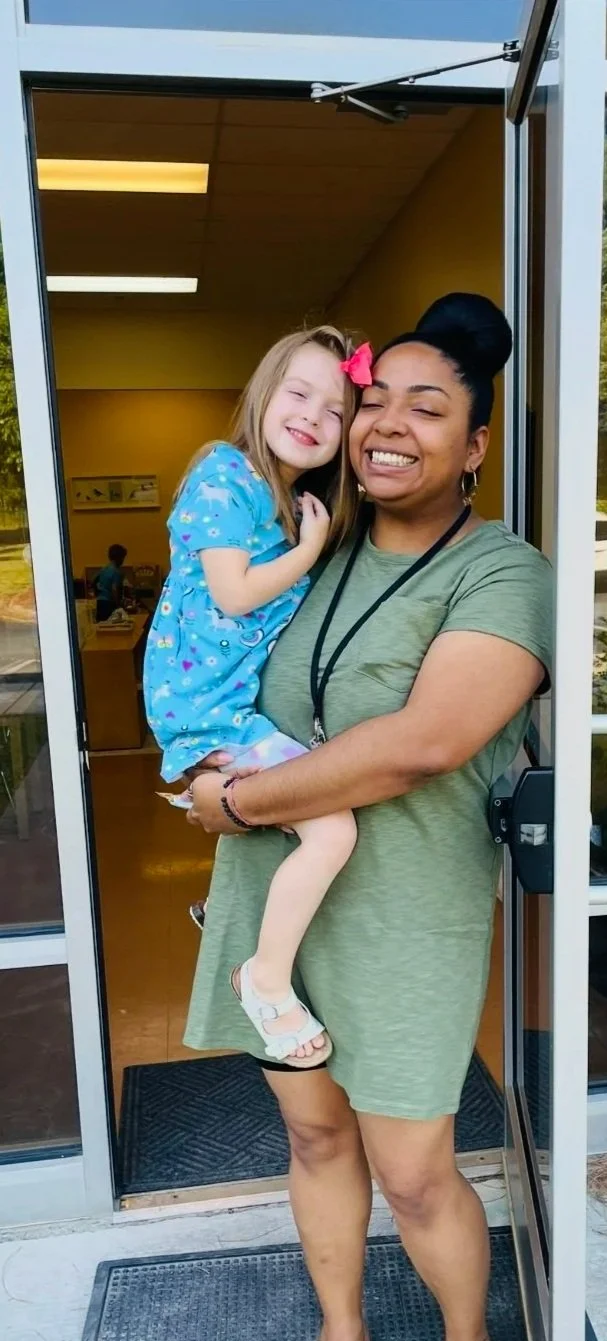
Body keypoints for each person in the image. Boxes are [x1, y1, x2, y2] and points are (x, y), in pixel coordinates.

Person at [184, 293, 553, 1341]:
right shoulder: (315, 545)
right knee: (310, 1129)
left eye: (426, 407)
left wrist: (237, 802)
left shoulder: (503, 569)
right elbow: (212, 648)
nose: (386, 424)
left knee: (415, 1168)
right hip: (278, 903)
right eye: (371, 400)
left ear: (476, 444)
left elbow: (426, 739)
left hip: (406, 910)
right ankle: (340, 1334)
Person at [143, 326, 366, 1067]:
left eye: (334, 410)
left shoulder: (283, 496)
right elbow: (234, 594)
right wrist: (307, 551)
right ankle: (264, 977)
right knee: (331, 828)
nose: (312, 416)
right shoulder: (223, 472)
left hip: (227, 701)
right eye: (298, 393)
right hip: (208, 705)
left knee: (302, 812)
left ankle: (236, 919)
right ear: (263, 393)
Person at [94, 543, 127, 622]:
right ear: (120, 558)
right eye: (123, 558)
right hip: (108, 603)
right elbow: (114, 589)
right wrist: (118, 605)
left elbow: (94, 582)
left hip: (99, 603)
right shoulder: (116, 572)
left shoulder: (104, 569)